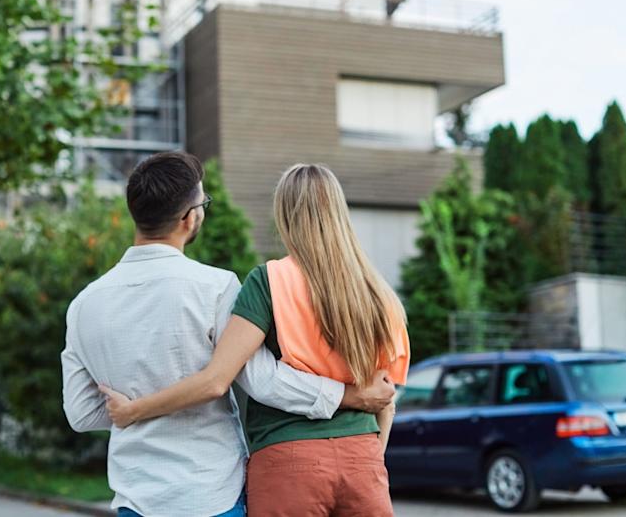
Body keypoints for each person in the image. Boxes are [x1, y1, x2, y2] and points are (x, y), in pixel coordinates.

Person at [61, 152, 396, 517]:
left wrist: (131, 410)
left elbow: (80, 414)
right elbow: (263, 381)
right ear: (190, 218)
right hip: (212, 491)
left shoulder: (84, 304)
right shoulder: (216, 288)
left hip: (137, 494)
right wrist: (349, 396)